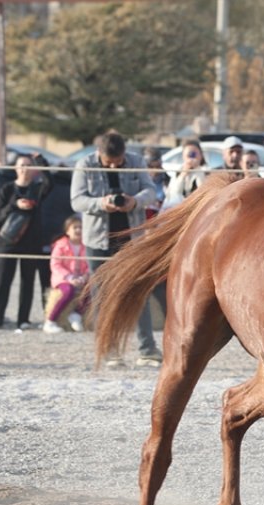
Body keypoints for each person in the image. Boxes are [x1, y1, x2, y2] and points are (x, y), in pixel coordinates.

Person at [71, 130, 161, 366]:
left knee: (138, 292)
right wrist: (101, 204)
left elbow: (150, 190)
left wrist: (135, 201)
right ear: (99, 154)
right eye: (109, 163)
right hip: (98, 242)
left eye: (118, 162)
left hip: (131, 240)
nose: (114, 167)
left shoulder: (137, 161)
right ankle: (110, 352)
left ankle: (148, 350)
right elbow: (77, 200)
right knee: (102, 296)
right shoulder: (84, 164)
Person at [0, 154, 52, 329]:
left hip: (31, 242)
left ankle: (23, 319)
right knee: (2, 280)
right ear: (15, 168)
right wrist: (15, 204)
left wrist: (41, 161)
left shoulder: (37, 189)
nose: (25, 169)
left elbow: (48, 183)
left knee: (27, 281)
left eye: (28, 165)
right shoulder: (7, 189)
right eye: (21, 165)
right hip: (8, 242)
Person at [44, 216, 88, 334]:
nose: (78, 230)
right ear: (67, 230)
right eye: (75, 227)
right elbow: (55, 264)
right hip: (63, 279)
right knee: (68, 291)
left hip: (81, 278)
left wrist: (84, 277)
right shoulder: (60, 245)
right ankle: (50, 321)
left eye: (81, 227)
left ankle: (77, 314)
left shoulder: (87, 246)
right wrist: (69, 277)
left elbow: (89, 265)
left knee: (91, 289)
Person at [163, 141, 207, 211]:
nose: (192, 158)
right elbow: (174, 194)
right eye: (189, 154)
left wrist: (197, 170)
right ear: (183, 156)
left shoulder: (206, 172)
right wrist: (183, 175)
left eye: (194, 154)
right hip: (179, 209)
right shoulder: (177, 172)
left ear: (201, 155)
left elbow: (203, 191)